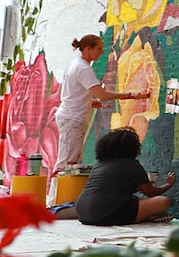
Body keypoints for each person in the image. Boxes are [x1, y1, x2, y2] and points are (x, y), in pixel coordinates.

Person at [54, 35, 148, 166]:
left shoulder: (75, 65)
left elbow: (72, 93)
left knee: (67, 160)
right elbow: (102, 94)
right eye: (98, 49)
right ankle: (61, 187)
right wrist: (131, 95)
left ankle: (59, 186)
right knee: (69, 163)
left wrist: (89, 102)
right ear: (87, 49)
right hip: (73, 118)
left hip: (70, 116)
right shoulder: (84, 68)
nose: (101, 52)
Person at [75, 127, 175, 225]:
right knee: (163, 201)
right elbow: (151, 193)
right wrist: (169, 184)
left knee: (134, 198)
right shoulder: (132, 165)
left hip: (82, 213)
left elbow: (112, 189)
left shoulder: (99, 165)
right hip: (104, 216)